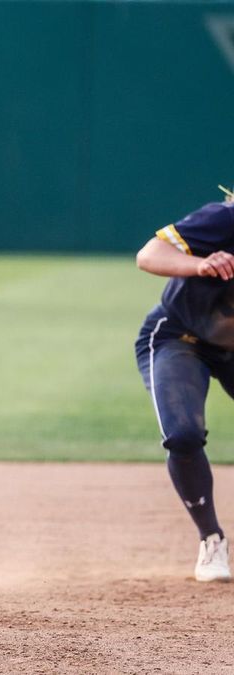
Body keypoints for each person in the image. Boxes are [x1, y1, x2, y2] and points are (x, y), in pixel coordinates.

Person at [134, 189, 234, 582]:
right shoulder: (224, 220)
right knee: (183, 433)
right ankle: (211, 539)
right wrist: (200, 264)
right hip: (181, 336)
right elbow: (148, 255)